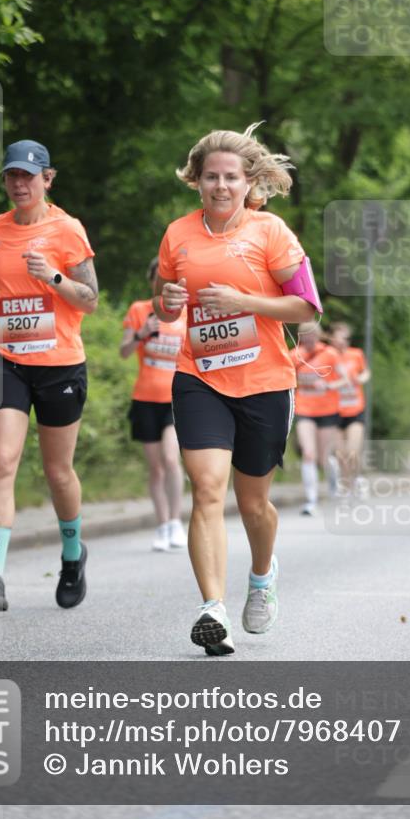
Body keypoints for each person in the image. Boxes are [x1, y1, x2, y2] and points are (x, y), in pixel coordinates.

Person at [154, 124, 317, 656]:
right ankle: (213, 609)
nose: (220, 186)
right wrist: (168, 303)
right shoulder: (178, 234)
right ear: (196, 181)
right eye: (211, 177)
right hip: (199, 377)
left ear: (249, 183)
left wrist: (245, 302)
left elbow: (306, 308)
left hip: (265, 382)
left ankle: (263, 576)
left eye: (230, 177)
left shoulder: (271, 232)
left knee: (253, 504)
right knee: (206, 488)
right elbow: (163, 302)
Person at [0, 140, 98, 611]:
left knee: (57, 471)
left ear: (47, 179)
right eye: (12, 176)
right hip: (7, 357)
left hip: (60, 363)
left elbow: (90, 299)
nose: (19, 184)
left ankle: (72, 555)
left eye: (28, 176)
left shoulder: (67, 230)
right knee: (1, 460)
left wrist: (54, 278)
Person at [120, 257, 187, 552]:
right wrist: (141, 333)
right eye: (159, 278)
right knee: (156, 468)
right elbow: (124, 351)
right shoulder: (139, 310)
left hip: (176, 399)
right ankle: (161, 525)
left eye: (169, 279)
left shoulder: (186, 314)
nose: (164, 284)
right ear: (152, 281)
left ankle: (176, 522)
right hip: (145, 398)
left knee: (171, 459)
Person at [291, 323, 347, 516]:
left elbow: (345, 379)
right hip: (304, 409)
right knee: (308, 453)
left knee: (323, 459)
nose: (309, 339)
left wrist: (329, 386)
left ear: (319, 335)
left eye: (312, 335)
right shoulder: (294, 355)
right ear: (300, 336)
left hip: (327, 410)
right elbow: (287, 379)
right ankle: (311, 501)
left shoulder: (330, 353)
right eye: (305, 335)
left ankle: (335, 488)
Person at [329, 321, 371, 498]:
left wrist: (361, 378)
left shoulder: (356, 354)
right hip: (334, 411)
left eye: (346, 338)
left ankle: (358, 480)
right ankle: (346, 486)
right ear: (332, 339)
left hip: (355, 409)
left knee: (352, 451)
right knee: (341, 455)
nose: (343, 342)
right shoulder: (327, 356)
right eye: (340, 338)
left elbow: (366, 372)